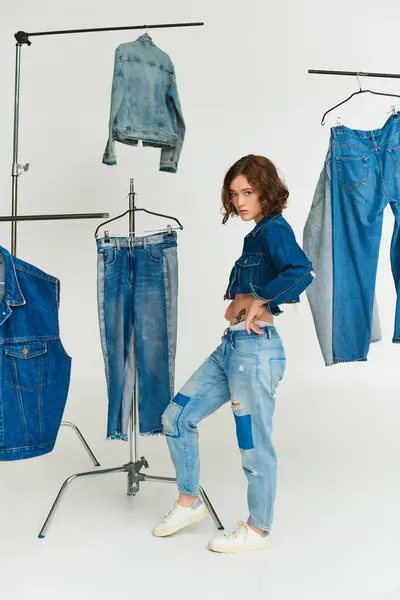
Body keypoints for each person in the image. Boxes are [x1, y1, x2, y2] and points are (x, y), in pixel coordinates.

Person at [152, 155, 314, 553]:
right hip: (233, 348)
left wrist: (261, 300)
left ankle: (258, 531)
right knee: (176, 417)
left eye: (248, 192)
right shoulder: (256, 234)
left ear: (265, 191)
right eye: (234, 194)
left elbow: (302, 271)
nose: (239, 201)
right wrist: (244, 304)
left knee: (253, 443)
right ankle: (189, 502)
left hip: (255, 353)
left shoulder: (275, 229)